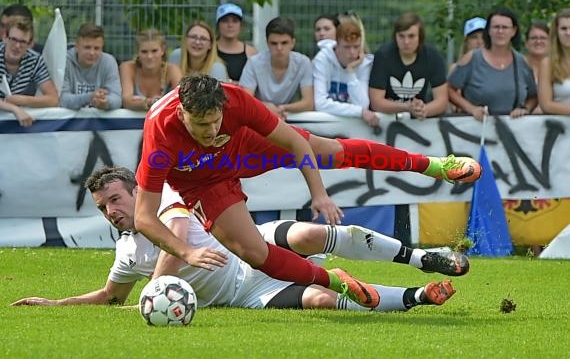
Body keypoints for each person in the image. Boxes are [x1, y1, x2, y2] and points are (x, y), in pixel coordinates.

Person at [134, 74, 481, 309]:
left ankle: (433, 165)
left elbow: (295, 143)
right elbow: (144, 217)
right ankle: (334, 280)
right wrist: (187, 252)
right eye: (201, 124)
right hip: (203, 183)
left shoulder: (235, 101)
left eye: (215, 120)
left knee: (336, 151)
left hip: (246, 146)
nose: (211, 130)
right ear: (181, 113)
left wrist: (319, 193)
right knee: (254, 252)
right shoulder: (160, 135)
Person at [12, 166, 461, 311]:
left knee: (308, 232)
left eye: (114, 199)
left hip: (247, 244)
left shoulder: (164, 199)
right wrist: (54, 305)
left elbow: (183, 229)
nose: (111, 211)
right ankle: (418, 294)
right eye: (102, 207)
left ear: (135, 192)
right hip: (247, 292)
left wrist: (158, 287)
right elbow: (111, 296)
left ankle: (421, 257)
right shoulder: (128, 250)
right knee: (320, 301)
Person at [448, 7, 537, 120]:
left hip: (513, 130)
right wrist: (471, 109)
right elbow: (449, 89)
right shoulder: (472, 58)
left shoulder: (522, 62)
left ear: (513, 31)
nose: (500, 31)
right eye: (496, 27)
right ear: (489, 30)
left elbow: (534, 96)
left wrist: (525, 109)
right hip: (476, 128)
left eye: (505, 27)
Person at [369, 11, 449, 120]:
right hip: (387, 118)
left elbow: (442, 101)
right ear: (395, 36)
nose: (406, 42)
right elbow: (376, 102)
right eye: (401, 36)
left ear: (420, 37)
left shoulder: (432, 56)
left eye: (411, 36)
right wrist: (407, 107)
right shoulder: (383, 56)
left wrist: (424, 110)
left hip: (419, 118)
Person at [239, 16, 314, 119]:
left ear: (293, 43)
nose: (279, 48)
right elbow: (245, 100)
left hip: (288, 115)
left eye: (284, 43)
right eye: (274, 43)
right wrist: (266, 107)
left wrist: (282, 108)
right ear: (267, 43)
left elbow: (308, 103)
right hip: (259, 115)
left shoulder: (303, 62)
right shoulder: (254, 63)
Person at [312, 15, 378, 128]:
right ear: (337, 44)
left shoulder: (364, 63)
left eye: (356, 46)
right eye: (347, 47)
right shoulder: (322, 59)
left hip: (353, 129)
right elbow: (320, 103)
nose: (352, 52)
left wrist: (351, 72)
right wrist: (359, 112)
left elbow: (363, 104)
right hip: (326, 127)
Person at [0, 16, 59, 127]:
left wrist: (21, 100)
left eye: (23, 42)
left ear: (30, 44)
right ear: (5, 37)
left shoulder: (35, 61)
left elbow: (53, 99)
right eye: (14, 39)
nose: (17, 46)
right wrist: (15, 109)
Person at [60, 22, 122, 110]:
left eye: (97, 48)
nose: (92, 53)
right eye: (87, 47)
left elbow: (117, 98)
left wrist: (106, 102)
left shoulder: (109, 62)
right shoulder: (64, 61)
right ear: (77, 46)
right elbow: (62, 100)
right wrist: (90, 97)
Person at [119, 29, 182, 111]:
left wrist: (150, 103)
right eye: (144, 52)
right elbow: (126, 101)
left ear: (162, 50)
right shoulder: (128, 68)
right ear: (137, 52)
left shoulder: (172, 70)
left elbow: (181, 99)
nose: (149, 56)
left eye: (154, 51)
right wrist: (150, 103)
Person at [215, 3, 257, 84]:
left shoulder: (251, 52)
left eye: (235, 21)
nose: (230, 25)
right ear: (218, 25)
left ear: (241, 25)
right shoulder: (209, 49)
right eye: (225, 21)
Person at [538, 8, 570, 115]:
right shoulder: (547, 64)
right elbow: (546, 105)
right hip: (561, 128)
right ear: (557, 32)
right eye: (564, 28)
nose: (568, 33)